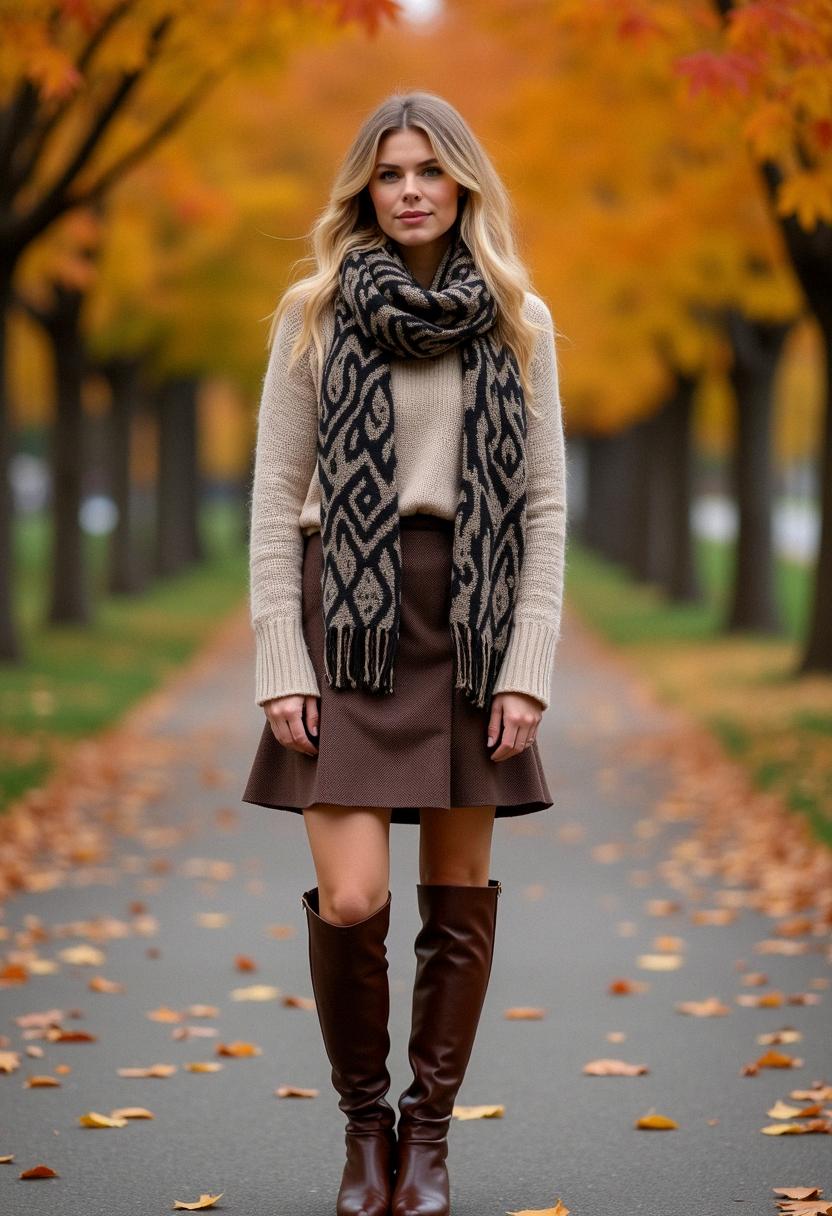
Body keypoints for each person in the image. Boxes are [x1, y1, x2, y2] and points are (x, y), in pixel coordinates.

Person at [242, 90, 567, 1216]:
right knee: (350, 898)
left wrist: (527, 664)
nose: (412, 188)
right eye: (390, 173)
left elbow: (543, 507)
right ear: (364, 190)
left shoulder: (518, 317)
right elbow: (277, 495)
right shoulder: (315, 311)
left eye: (430, 170)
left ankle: (426, 1141)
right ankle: (363, 1127)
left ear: (463, 183)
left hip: (471, 623)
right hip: (350, 618)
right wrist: (281, 658)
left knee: (456, 892)